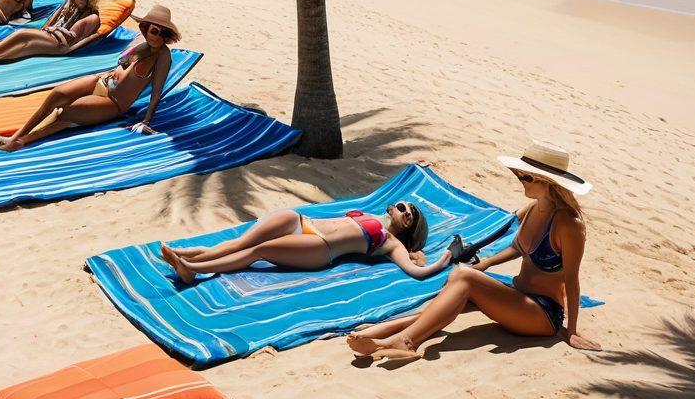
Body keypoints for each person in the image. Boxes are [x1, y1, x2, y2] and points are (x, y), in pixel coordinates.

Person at [347, 141, 601, 360]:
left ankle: (406, 341)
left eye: (527, 177)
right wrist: (486, 264)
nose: (520, 180)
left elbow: (571, 278)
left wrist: (573, 331)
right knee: (454, 293)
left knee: (464, 278)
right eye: (519, 174)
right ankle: (386, 329)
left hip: (543, 313)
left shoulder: (568, 223)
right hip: (520, 297)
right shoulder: (535, 208)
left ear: (548, 182)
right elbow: (517, 247)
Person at [0, 4, 179, 151]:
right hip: (100, 81)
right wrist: (120, 67)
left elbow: (156, 91)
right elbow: (123, 62)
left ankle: (21, 142)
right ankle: (15, 135)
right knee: (56, 94)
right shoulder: (142, 45)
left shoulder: (163, 57)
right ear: (146, 29)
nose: (158, 36)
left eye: (163, 33)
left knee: (67, 112)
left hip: (112, 101)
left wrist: (146, 120)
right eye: (154, 30)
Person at [158, 201, 446, 284]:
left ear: (411, 227)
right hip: (302, 222)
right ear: (391, 209)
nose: (406, 211)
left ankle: (194, 269)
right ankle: (191, 257)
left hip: (320, 247)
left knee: (258, 251)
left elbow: (415, 272)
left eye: (412, 215)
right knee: (242, 242)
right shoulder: (369, 212)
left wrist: (444, 259)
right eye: (403, 207)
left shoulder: (392, 243)